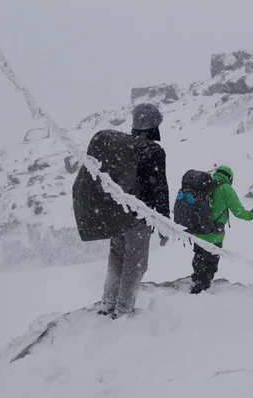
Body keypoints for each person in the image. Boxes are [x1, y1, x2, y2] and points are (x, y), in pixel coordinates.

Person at [99, 103, 170, 318]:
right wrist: (163, 222)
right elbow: (160, 187)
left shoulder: (123, 145)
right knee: (135, 263)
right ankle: (123, 310)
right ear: (153, 124)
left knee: (116, 259)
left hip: (118, 213)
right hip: (140, 215)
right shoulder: (154, 151)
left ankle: (107, 303)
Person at [190, 166, 253, 294]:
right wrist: (252, 215)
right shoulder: (226, 189)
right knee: (211, 265)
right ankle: (201, 290)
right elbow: (239, 212)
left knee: (199, 259)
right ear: (229, 177)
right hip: (214, 235)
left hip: (198, 232)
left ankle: (197, 281)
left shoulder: (203, 185)